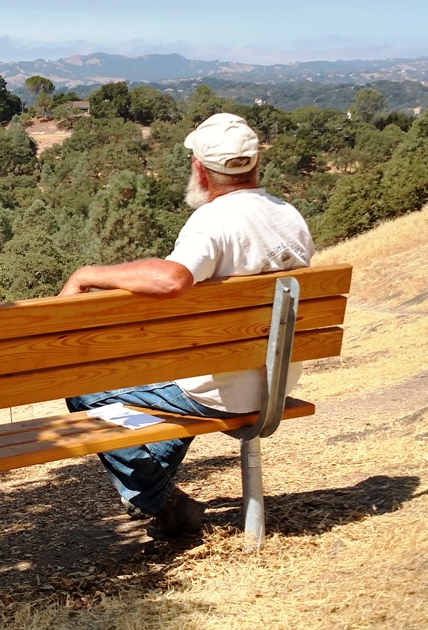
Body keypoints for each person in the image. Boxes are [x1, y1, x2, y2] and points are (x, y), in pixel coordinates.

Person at [58, 112, 315, 540]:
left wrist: (88, 274)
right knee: (159, 386)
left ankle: (156, 500)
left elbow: (172, 279)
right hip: (276, 379)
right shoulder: (288, 215)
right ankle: (160, 497)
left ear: (199, 167)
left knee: (84, 386)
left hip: (220, 392)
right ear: (254, 163)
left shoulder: (214, 221)